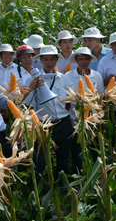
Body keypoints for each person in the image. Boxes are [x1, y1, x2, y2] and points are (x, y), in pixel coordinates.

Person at [24, 46, 81, 175]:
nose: (49, 62)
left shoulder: (64, 78)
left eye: (52, 59)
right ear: (41, 61)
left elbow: (71, 100)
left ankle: (62, 186)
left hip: (63, 123)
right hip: (43, 125)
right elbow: (26, 103)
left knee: (63, 158)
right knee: (41, 160)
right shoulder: (32, 79)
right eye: (46, 59)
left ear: (56, 60)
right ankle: (42, 187)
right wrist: (32, 87)